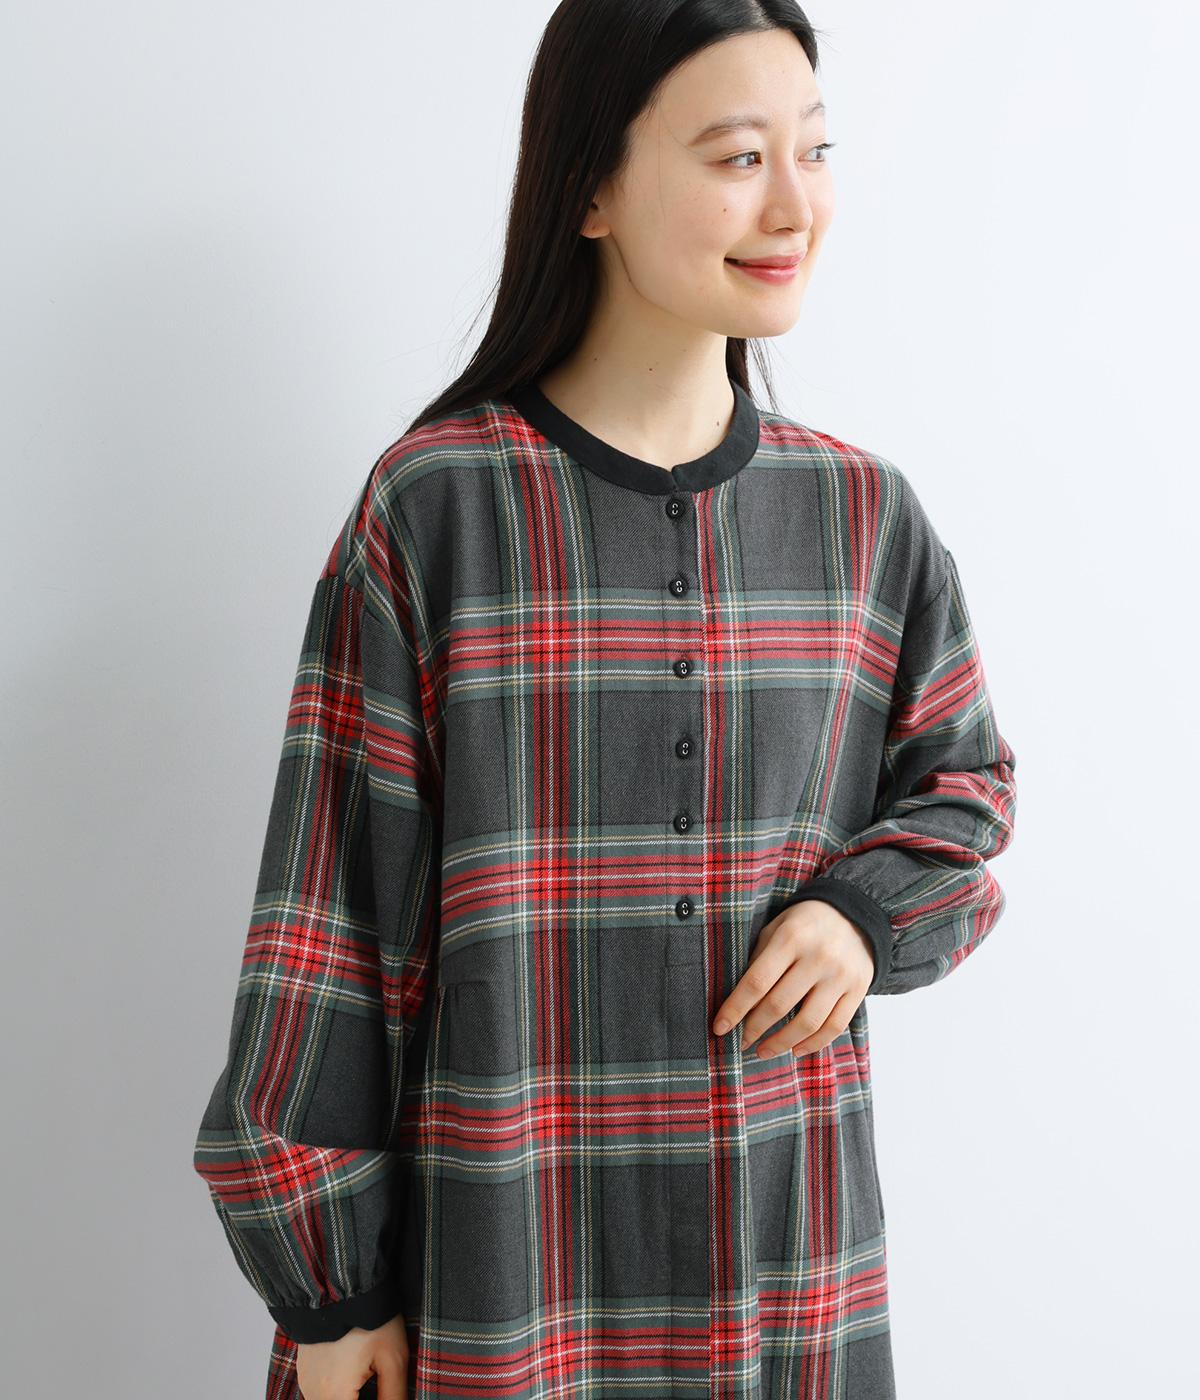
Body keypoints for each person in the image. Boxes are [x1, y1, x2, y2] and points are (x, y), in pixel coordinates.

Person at [192, 3, 1019, 1398]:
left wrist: (861, 914)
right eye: (738, 156)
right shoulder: (439, 509)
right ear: (590, 188)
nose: (795, 204)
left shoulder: (865, 519)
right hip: (504, 1277)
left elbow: (966, 793)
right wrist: (330, 1291)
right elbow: (330, 922)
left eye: (815, 150)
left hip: (785, 1280)